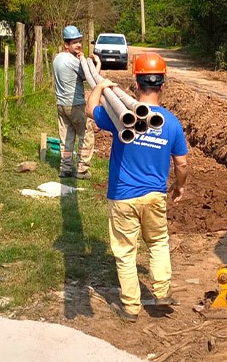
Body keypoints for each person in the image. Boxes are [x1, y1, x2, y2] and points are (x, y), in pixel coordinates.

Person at [84, 52, 189, 323]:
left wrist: (100, 85)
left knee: (125, 253)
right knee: (157, 243)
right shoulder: (172, 123)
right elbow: (182, 163)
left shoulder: (121, 115)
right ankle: (161, 292)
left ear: (136, 83)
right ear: (163, 85)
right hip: (155, 196)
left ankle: (131, 308)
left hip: (122, 196)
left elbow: (89, 108)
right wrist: (179, 187)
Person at [53, 25, 101, 179]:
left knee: (66, 138)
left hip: (61, 104)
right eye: (74, 42)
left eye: (79, 41)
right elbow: (91, 77)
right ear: (67, 44)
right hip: (75, 105)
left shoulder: (57, 58)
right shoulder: (72, 61)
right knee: (86, 135)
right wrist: (97, 63)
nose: (78, 45)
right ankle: (82, 170)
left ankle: (65, 168)